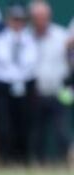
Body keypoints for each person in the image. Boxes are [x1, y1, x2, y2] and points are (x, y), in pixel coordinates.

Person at [0, 4, 37, 166]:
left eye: (20, 20)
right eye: (14, 19)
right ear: (8, 20)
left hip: (25, 87)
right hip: (4, 87)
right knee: (4, 127)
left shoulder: (30, 40)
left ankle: (23, 162)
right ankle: (4, 162)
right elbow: (1, 62)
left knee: (23, 126)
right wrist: (14, 75)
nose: (17, 23)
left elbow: (30, 63)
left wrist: (19, 76)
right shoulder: (0, 40)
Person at [28, 0, 69, 164]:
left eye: (43, 17)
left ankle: (64, 163)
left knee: (61, 131)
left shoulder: (61, 36)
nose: (40, 20)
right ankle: (38, 165)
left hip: (59, 91)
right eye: (37, 17)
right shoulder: (26, 37)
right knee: (37, 133)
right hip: (36, 92)